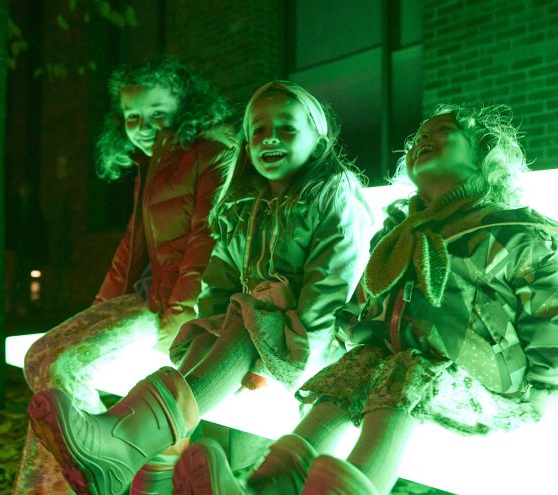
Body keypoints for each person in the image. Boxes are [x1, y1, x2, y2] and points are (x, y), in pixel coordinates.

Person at [172, 104, 558, 494]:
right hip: (400, 371)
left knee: (406, 369)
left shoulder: (511, 233)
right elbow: (364, 306)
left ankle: (352, 487)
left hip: (485, 391)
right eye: (420, 136)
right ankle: (268, 484)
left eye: (443, 133)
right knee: (353, 371)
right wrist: (354, 333)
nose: (426, 139)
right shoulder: (399, 234)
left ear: (485, 155)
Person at [26, 80, 373, 495]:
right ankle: (149, 472)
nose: (270, 139)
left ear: (318, 139)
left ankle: (126, 444)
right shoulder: (244, 203)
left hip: (314, 344)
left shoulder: (332, 194)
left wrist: (283, 358)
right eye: (258, 130)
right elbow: (219, 283)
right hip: (247, 335)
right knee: (208, 342)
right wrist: (211, 326)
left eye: (286, 128)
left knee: (245, 326)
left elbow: (330, 293)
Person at [12, 57, 234, 495]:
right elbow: (132, 249)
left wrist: (180, 312)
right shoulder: (153, 166)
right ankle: (89, 475)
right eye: (134, 117)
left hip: (172, 305)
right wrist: (98, 309)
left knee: (65, 366)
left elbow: (206, 240)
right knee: (37, 355)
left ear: (187, 109)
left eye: (158, 113)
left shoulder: (211, 154)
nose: (145, 125)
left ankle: (85, 476)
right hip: (144, 298)